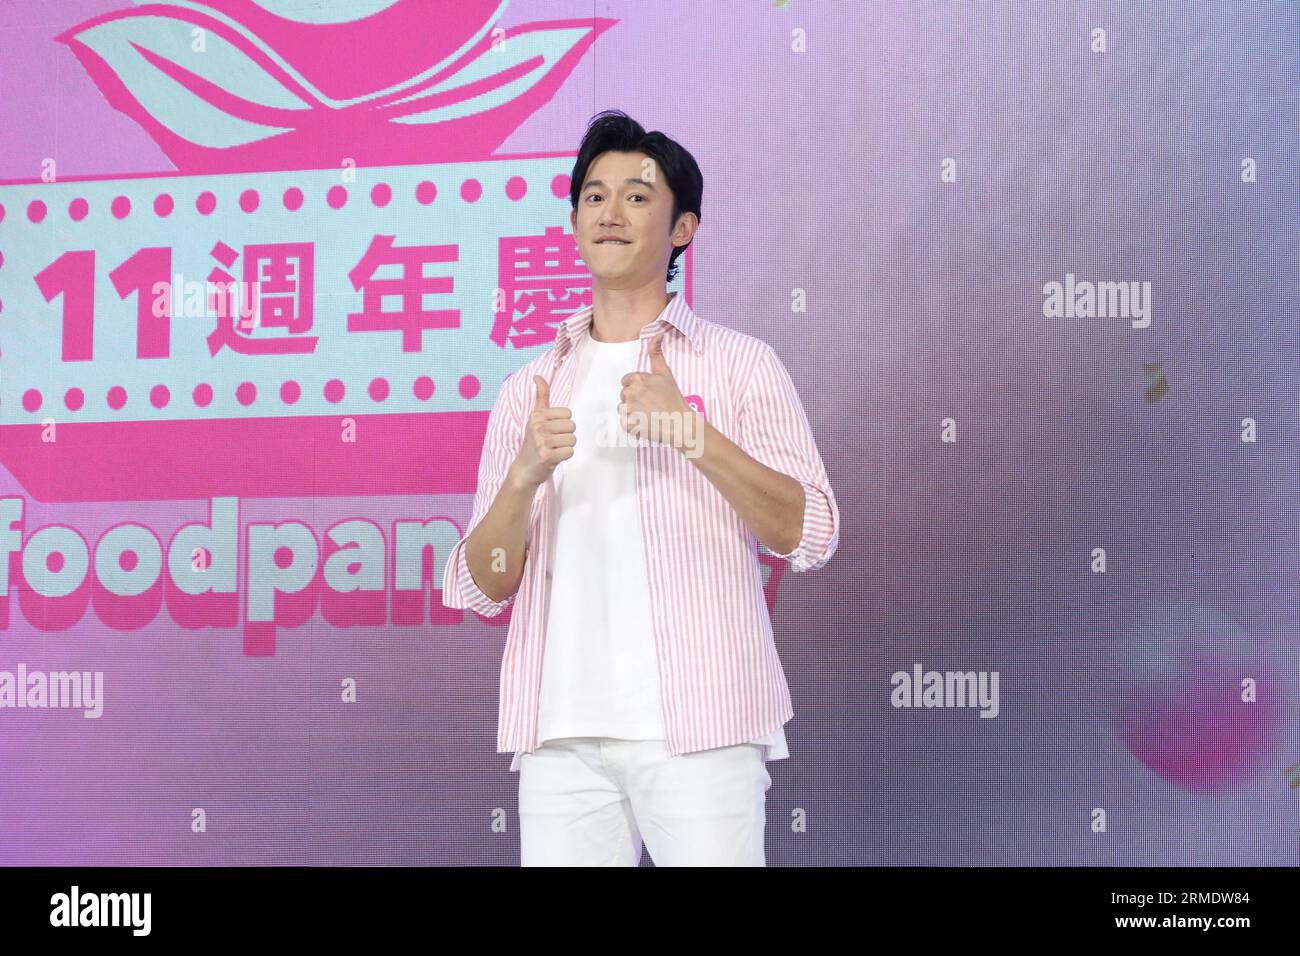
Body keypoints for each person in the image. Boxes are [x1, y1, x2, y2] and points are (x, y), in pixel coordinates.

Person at [442, 110, 839, 866]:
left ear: (682, 227)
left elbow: (812, 532)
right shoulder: (530, 387)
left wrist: (695, 436)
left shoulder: (740, 365)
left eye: (636, 195)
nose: (610, 212)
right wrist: (522, 479)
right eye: (593, 197)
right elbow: (486, 587)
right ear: (572, 221)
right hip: (559, 737)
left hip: (701, 728)